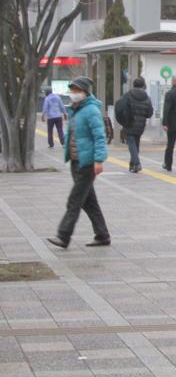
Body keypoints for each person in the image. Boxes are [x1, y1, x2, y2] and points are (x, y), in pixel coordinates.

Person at [47, 76, 110, 249]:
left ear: (85, 92)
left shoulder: (90, 110)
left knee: (74, 200)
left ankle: (63, 236)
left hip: (87, 162)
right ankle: (102, 234)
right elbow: (73, 133)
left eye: (77, 90)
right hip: (76, 160)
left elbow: (99, 136)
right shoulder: (76, 109)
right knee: (89, 201)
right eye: (72, 90)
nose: (73, 93)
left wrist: (99, 160)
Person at [119, 77, 154, 173]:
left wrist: (123, 120)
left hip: (129, 123)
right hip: (141, 125)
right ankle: (132, 165)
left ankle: (137, 163)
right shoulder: (147, 97)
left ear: (133, 85)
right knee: (136, 144)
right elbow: (149, 113)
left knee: (131, 144)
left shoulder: (128, 95)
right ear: (143, 86)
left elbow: (121, 108)